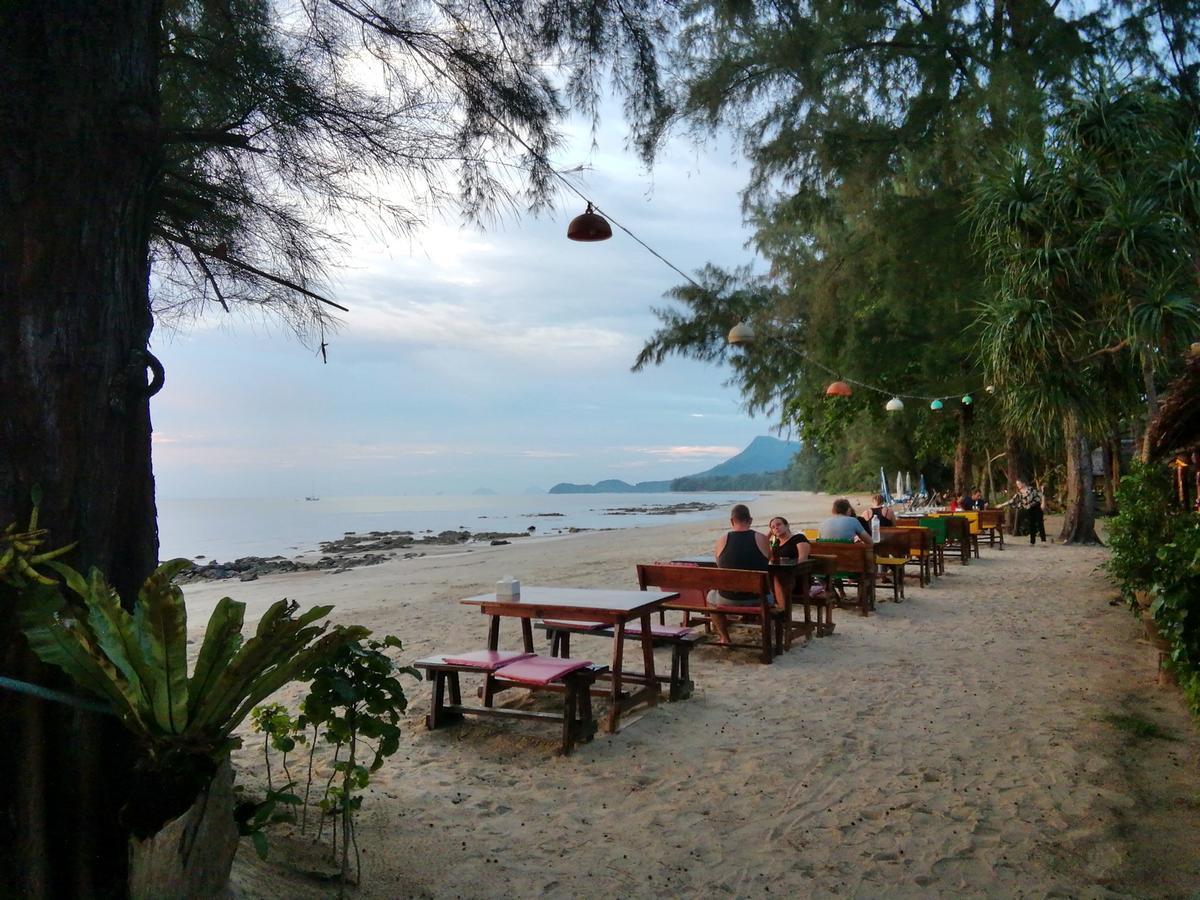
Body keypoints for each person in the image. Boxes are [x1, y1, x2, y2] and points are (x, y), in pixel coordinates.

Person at [708, 503, 772, 644]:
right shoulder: (762, 539)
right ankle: (766, 632)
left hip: (727, 598)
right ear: (750, 520)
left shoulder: (721, 540)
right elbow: (768, 559)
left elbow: (720, 566)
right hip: (758, 598)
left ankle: (725, 637)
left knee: (710, 597)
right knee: (773, 592)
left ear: (732, 521)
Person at [997, 479, 1045, 544]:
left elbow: (1039, 496)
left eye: (1019, 484)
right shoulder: (1019, 493)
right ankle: (1032, 541)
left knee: (1040, 523)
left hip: (1037, 507)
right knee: (1031, 524)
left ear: (1023, 484)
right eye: (1017, 484)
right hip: (1029, 509)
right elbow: (1012, 501)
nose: (1018, 485)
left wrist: (1042, 503)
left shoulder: (1031, 489)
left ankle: (1043, 540)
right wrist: (1002, 505)